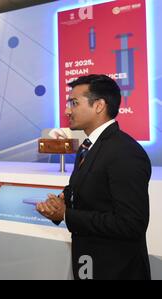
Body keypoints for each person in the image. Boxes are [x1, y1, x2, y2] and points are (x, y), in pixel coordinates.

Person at [36, 74, 151, 280]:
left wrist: (66, 215)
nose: (66, 111)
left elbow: (131, 223)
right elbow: (89, 188)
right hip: (90, 264)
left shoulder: (125, 151)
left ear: (98, 106)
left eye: (74, 103)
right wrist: (62, 199)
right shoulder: (87, 146)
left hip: (117, 270)